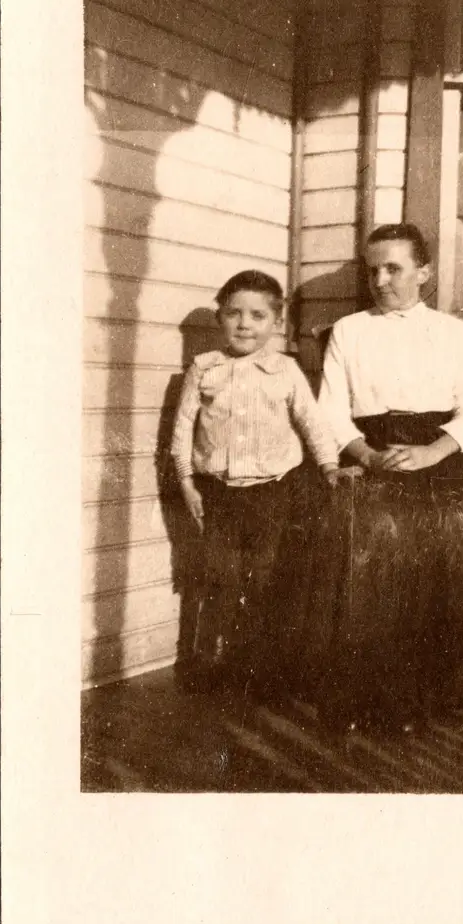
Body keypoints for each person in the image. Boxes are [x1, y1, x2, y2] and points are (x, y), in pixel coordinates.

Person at [308, 223, 463, 734]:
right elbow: (331, 413)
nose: (381, 280)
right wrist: (368, 454)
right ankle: (384, 698)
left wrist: (433, 451)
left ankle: (451, 693)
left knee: (461, 536)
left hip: (440, 455)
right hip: (374, 453)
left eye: (394, 268)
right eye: (373, 270)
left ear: (423, 273)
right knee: (383, 544)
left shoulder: (452, 333)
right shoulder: (349, 331)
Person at [170, 269, 339, 693]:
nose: (245, 324)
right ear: (219, 319)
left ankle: (260, 668)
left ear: (276, 323)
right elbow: (182, 429)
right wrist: (187, 482)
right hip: (217, 495)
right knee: (220, 577)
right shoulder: (204, 368)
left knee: (264, 578)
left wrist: (330, 467)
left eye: (258, 316)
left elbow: (313, 422)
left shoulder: (285, 370)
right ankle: (213, 664)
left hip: (272, 492)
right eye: (234, 313)